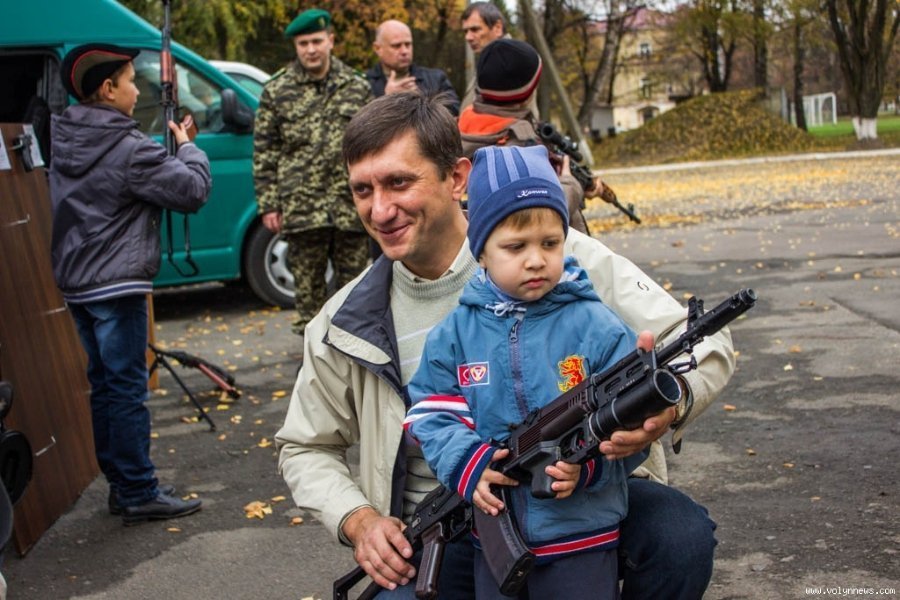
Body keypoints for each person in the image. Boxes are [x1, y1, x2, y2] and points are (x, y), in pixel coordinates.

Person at [276, 92, 734, 599]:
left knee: (679, 536)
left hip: (581, 492)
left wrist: (668, 405)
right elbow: (305, 445)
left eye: (399, 182)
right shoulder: (345, 321)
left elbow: (699, 340)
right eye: (363, 189)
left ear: (456, 178)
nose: (380, 209)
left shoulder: (558, 259)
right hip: (446, 524)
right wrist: (359, 520)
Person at [404, 144, 647, 598]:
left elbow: (630, 426)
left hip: (582, 537)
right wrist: (468, 464)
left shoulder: (596, 325)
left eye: (550, 243)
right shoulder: (457, 333)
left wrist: (587, 469)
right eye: (515, 247)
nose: (536, 259)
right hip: (495, 536)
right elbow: (430, 412)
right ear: (481, 252)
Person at [50, 43, 210, 524]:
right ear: (107, 88)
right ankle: (139, 490)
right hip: (116, 284)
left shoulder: (66, 137)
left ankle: (122, 485)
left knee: (104, 385)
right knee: (125, 389)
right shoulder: (127, 147)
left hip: (78, 281)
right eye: (129, 80)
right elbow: (192, 190)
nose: (137, 90)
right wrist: (188, 147)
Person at [253, 8, 372, 336]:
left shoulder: (356, 87)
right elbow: (265, 150)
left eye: (317, 41)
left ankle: (355, 354)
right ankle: (313, 358)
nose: (310, 49)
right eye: (303, 43)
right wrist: (269, 204)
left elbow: (372, 147)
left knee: (357, 294)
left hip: (349, 205)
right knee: (308, 298)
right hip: (302, 208)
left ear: (331, 40)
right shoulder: (277, 90)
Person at [459, 38, 600, 234]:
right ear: (527, 92)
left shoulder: (458, 128)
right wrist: (571, 185)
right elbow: (540, 213)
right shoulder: (522, 146)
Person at [365, 19, 460, 116]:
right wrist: (387, 100)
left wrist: (420, 102)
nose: (404, 51)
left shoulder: (436, 79)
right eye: (396, 46)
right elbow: (360, 123)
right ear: (378, 48)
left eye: (408, 44)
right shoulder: (364, 83)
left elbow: (454, 113)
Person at [460, 1, 507, 110]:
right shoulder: (491, 59)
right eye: (465, 31)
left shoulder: (510, 63)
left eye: (475, 29)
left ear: (497, 28)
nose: (468, 37)